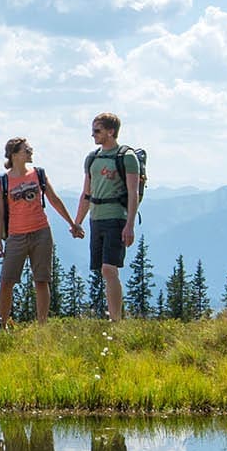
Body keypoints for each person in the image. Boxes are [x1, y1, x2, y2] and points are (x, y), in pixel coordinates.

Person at [0, 137, 81, 329]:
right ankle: (2, 324)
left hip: (41, 232)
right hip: (15, 236)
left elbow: (54, 199)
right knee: (6, 281)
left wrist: (72, 223)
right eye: (27, 149)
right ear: (15, 154)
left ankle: (42, 325)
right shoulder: (3, 181)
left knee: (41, 280)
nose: (31, 151)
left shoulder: (39, 174)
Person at [72, 113, 141, 321]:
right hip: (96, 218)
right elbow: (87, 193)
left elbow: (133, 192)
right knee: (104, 270)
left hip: (116, 218)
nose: (93, 135)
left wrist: (129, 225)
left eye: (97, 130)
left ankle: (115, 320)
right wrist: (78, 221)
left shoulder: (127, 157)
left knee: (109, 268)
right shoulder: (92, 158)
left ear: (111, 131)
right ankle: (114, 316)